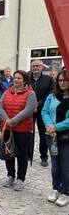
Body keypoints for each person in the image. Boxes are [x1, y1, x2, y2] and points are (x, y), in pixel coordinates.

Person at [0, 70, 37, 191]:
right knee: (8, 153)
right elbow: (0, 107)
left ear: (24, 80)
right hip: (8, 128)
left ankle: (21, 179)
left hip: (23, 129)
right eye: (15, 78)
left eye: (19, 78)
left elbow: (29, 110)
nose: (16, 80)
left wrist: (13, 120)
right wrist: (7, 120)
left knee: (22, 155)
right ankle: (10, 175)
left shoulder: (30, 94)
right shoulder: (6, 92)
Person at [42, 70, 69, 207]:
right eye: (60, 80)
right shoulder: (52, 96)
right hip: (51, 137)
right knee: (55, 166)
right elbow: (44, 111)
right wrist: (49, 126)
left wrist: (55, 127)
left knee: (66, 166)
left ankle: (66, 192)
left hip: (66, 137)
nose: (62, 82)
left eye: (65, 79)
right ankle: (56, 189)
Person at [30, 59, 55, 167]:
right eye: (33, 66)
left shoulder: (48, 79)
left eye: (37, 66)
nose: (35, 68)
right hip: (29, 110)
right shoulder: (27, 79)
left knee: (43, 134)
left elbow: (51, 93)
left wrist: (40, 103)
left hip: (43, 110)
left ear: (41, 67)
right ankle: (28, 154)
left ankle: (44, 156)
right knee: (28, 133)